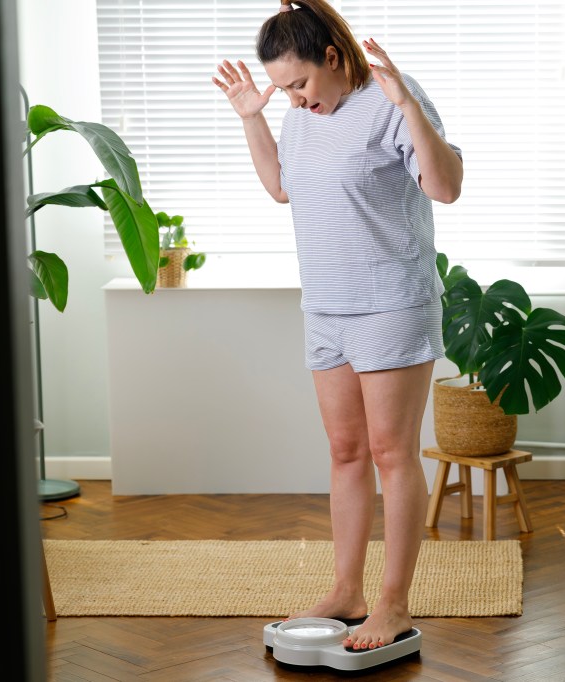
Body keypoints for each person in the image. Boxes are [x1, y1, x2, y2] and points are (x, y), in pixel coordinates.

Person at [212, 0, 463, 652]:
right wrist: (253, 120)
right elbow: (280, 187)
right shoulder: (298, 118)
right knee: (346, 453)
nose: (294, 98)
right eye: (282, 88)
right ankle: (347, 589)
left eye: (300, 83)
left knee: (390, 453)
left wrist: (409, 106)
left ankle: (393, 604)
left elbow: (445, 187)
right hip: (325, 308)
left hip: (390, 304)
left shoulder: (388, 102)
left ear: (333, 57)